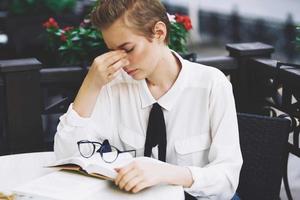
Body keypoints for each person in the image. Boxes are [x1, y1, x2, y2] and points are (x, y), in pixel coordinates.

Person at [54, 0, 243, 199]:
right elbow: (67, 156)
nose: (122, 62)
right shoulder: (113, 85)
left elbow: (227, 180)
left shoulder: (211, 85)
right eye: (112, 51)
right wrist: (90, 85)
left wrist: (166, 173)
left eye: (127, 49)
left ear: (159, 33)